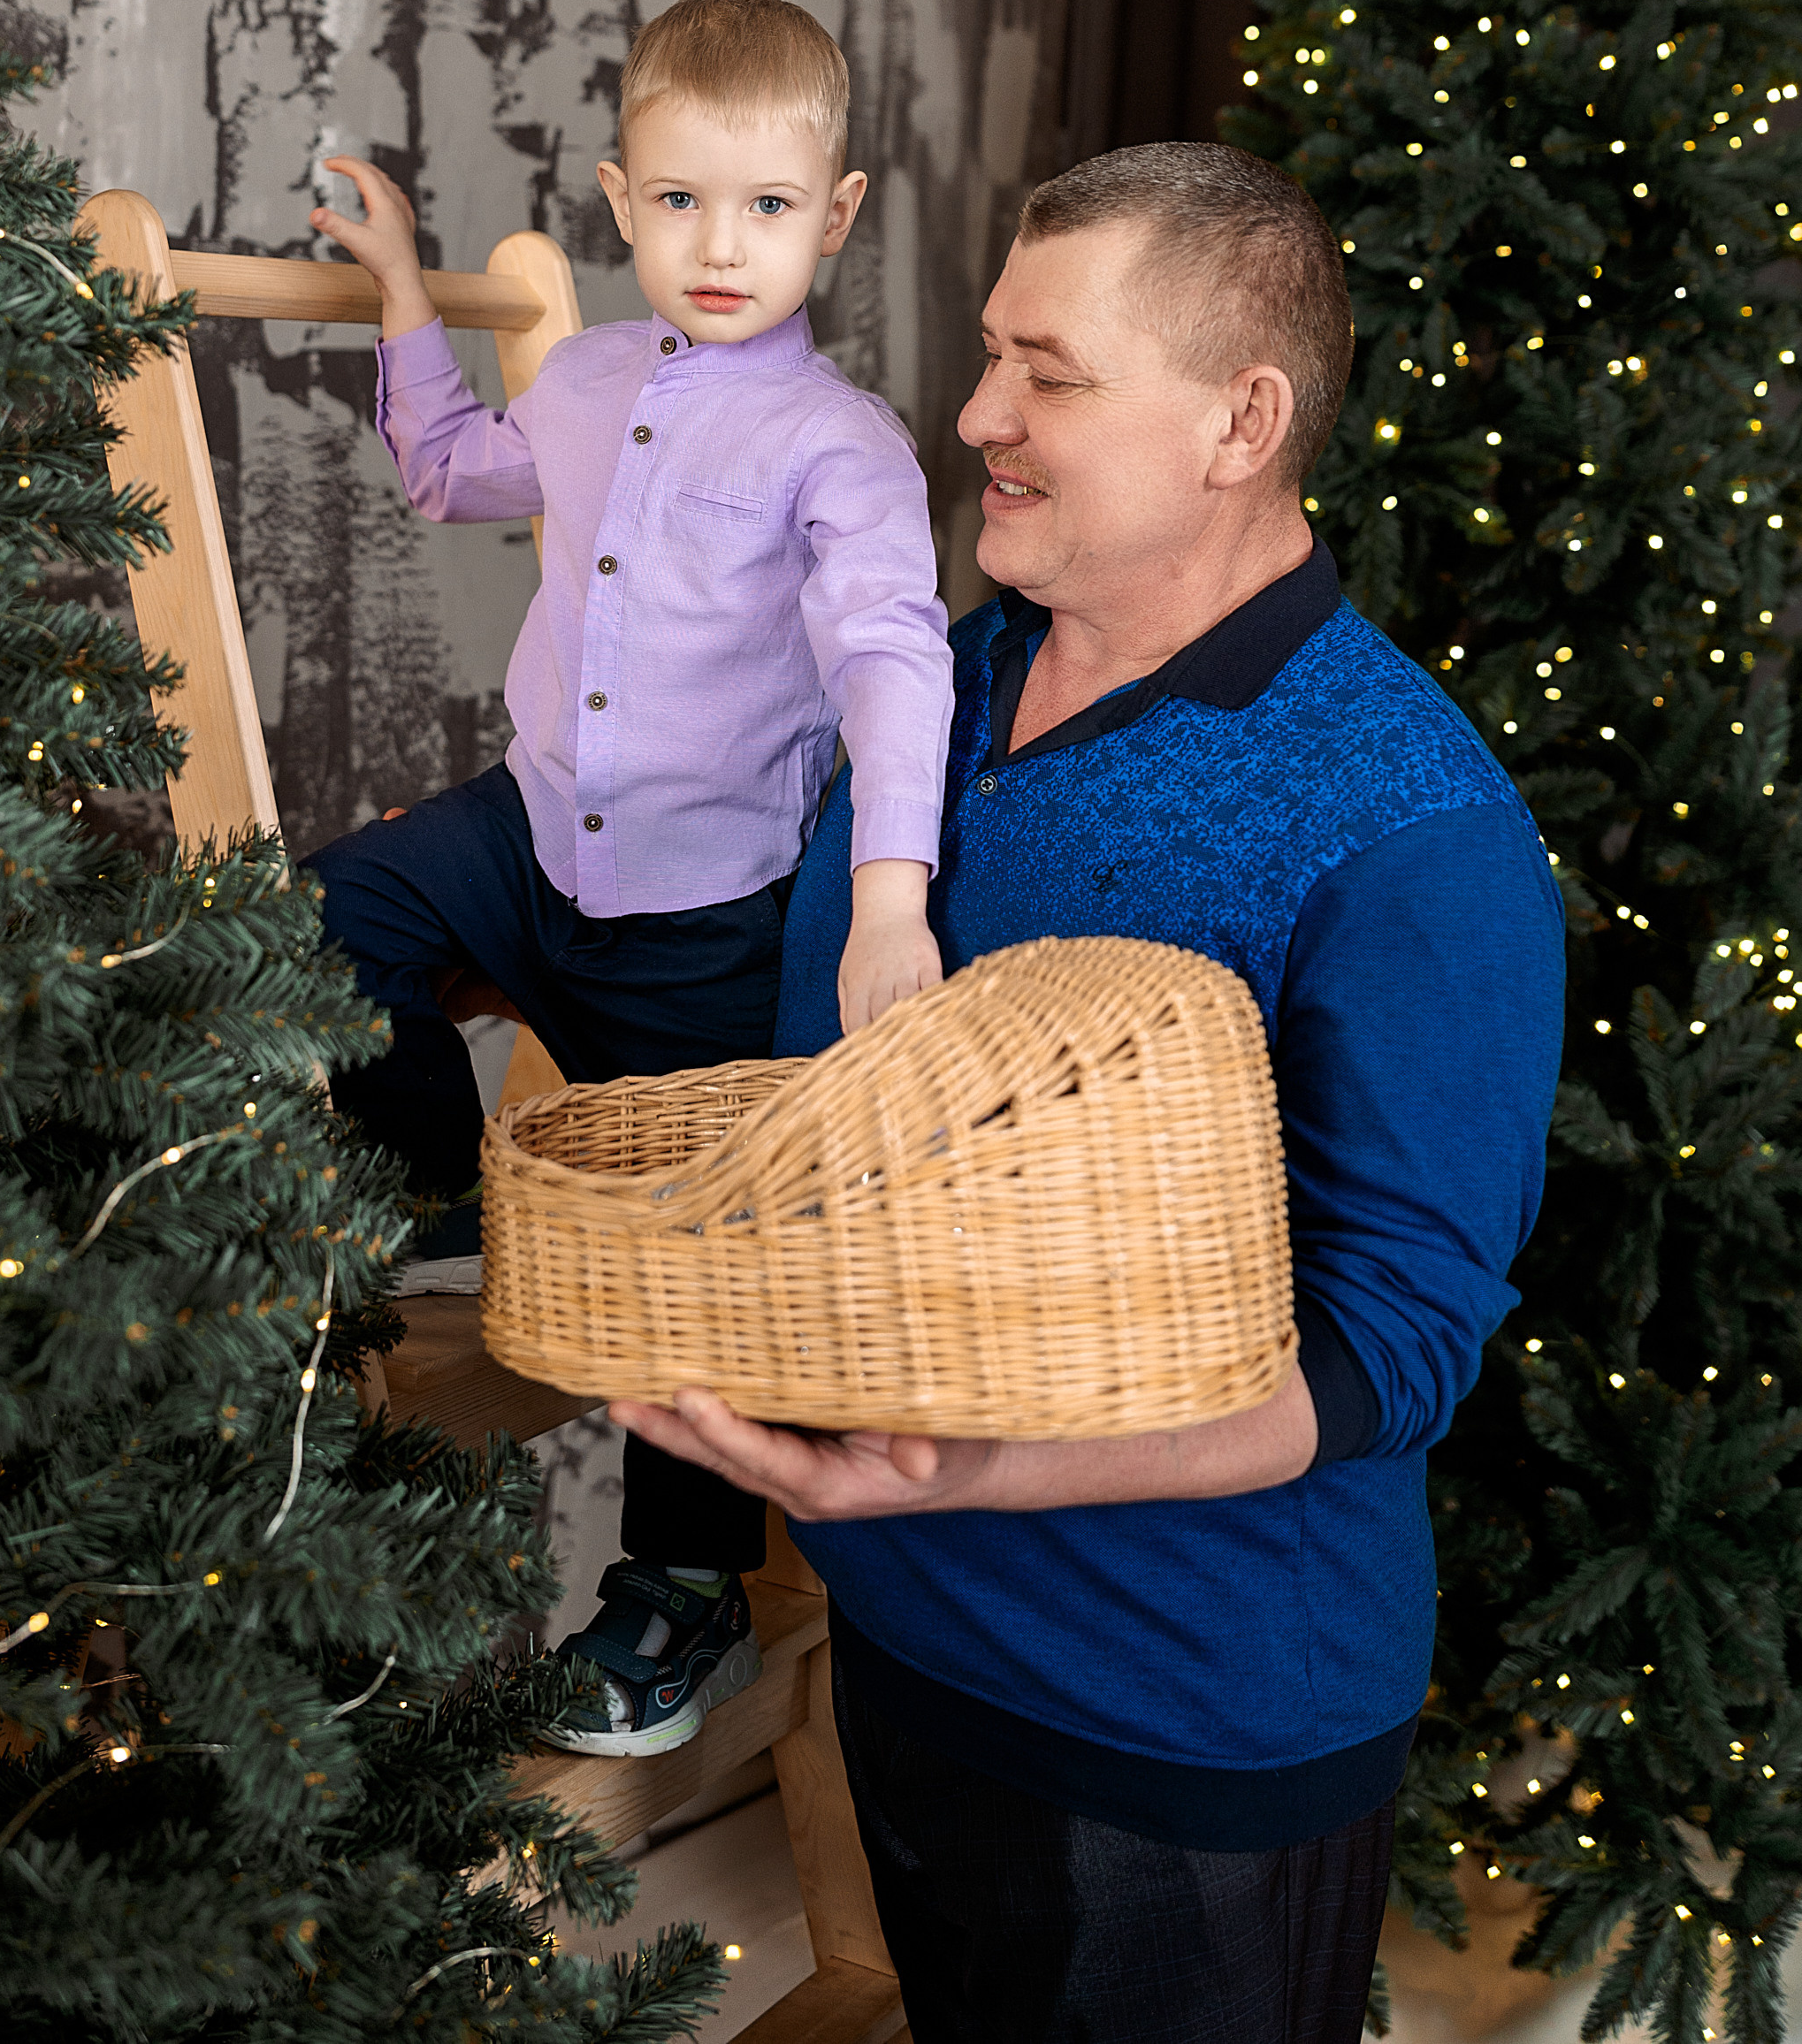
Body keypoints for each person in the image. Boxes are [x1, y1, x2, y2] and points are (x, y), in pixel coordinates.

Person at [615, 141, 1565, 2038]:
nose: (976, 416)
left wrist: (969, 1470)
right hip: (905, 1639)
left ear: (1242, 420)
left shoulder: (1413, 823)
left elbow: (1393, 1347)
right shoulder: (930, 686)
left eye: (1048, 373)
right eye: (987, 354)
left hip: (1181, 1719)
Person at [304, 0, 952, 1757]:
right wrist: (401, 289)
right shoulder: (587, 379)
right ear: (619, 198)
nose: (716, 243)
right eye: (676, 202)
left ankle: (679, 1595)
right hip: (535, 837)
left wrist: (887, 897)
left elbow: (896, 656)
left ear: (834, 213)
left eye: (760, 205)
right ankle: (438, 1196)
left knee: (693, 1265)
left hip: (702, 908)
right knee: (335, 909)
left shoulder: (839, 447)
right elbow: (446, 470)